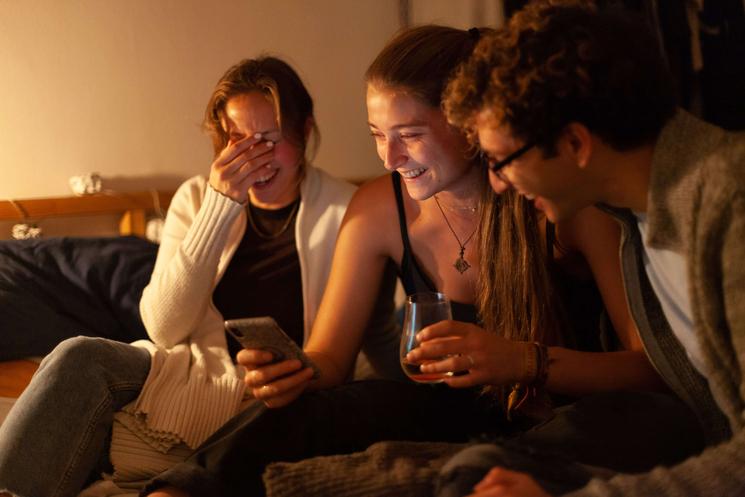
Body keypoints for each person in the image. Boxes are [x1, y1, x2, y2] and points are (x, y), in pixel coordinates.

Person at [141, 25, 682, 497]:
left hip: (566, 413)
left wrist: (525, 361)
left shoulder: (561, 203)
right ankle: (179, 491)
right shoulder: (379, 209)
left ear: (471, 128)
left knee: (644, 424)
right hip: (449, 410)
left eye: (410, 136)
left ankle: (468, 474)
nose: (388, 157)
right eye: (378, 135)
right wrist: (296, 372)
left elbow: (653, 372)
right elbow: (329, 359)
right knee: (313, 411)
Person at [0, 56, 391, 497]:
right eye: (237, 138)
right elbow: (164, 327)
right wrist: (219, 206)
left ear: (303, 132)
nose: (253, 156)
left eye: (269, 138)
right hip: (185, 371)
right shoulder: (195, 198)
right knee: (78, 356)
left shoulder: (351, 210)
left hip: (281, 390)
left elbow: (364, 345)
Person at [436, 2, 745, 496]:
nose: (496, 186)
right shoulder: (633, 216)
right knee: (476, 475)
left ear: (576, 143)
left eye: (502, 160)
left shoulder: (728, 202)